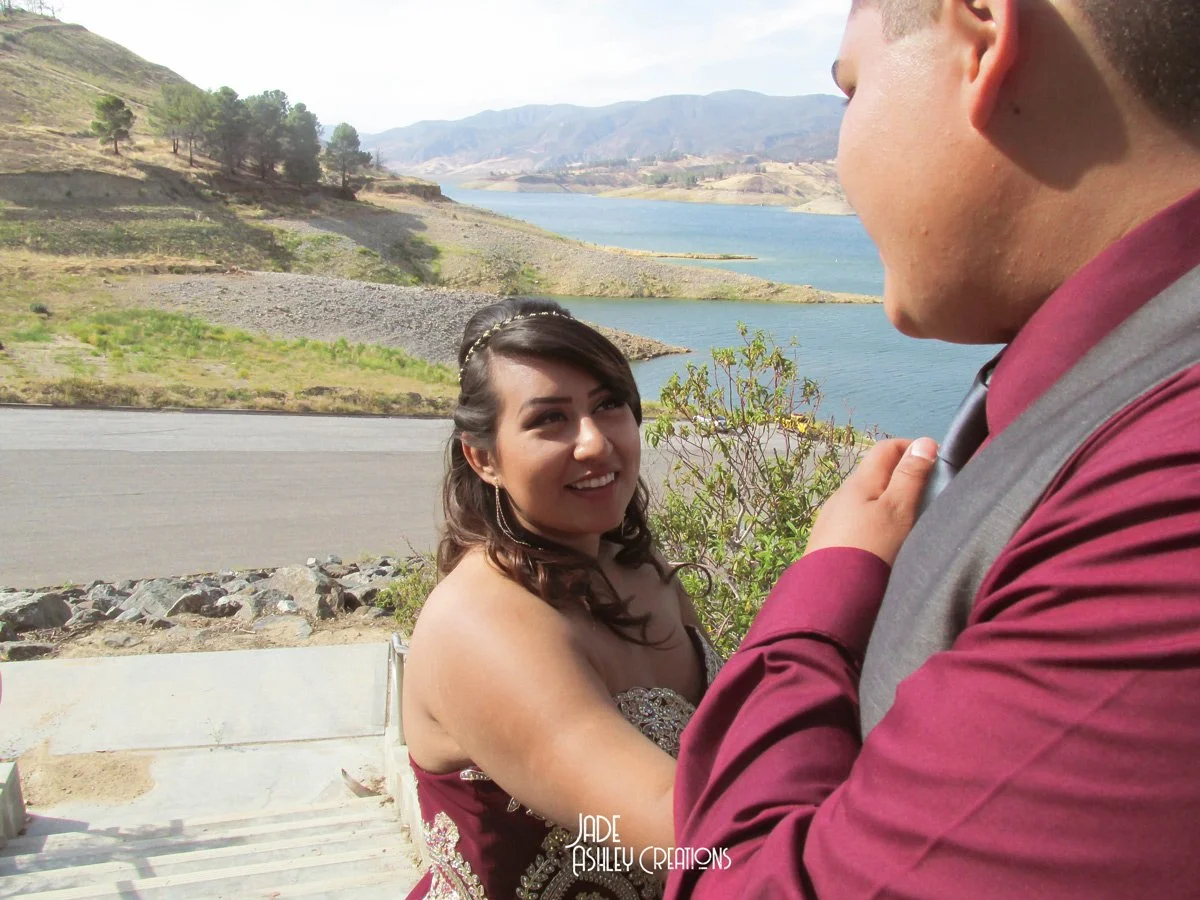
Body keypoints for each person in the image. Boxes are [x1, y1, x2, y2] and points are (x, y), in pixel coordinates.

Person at [667, 0, 1200, 897]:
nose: (840, 158)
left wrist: (826, 588)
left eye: (851, 89)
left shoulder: (1167, 497)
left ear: (983, 34)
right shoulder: (1120, 395)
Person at [402, 297, 721, 899]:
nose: (595, 443)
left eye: (608, 405)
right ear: (484, 457)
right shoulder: (481, 624)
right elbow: (690, 838)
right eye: (550, 420)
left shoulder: (643, 570)